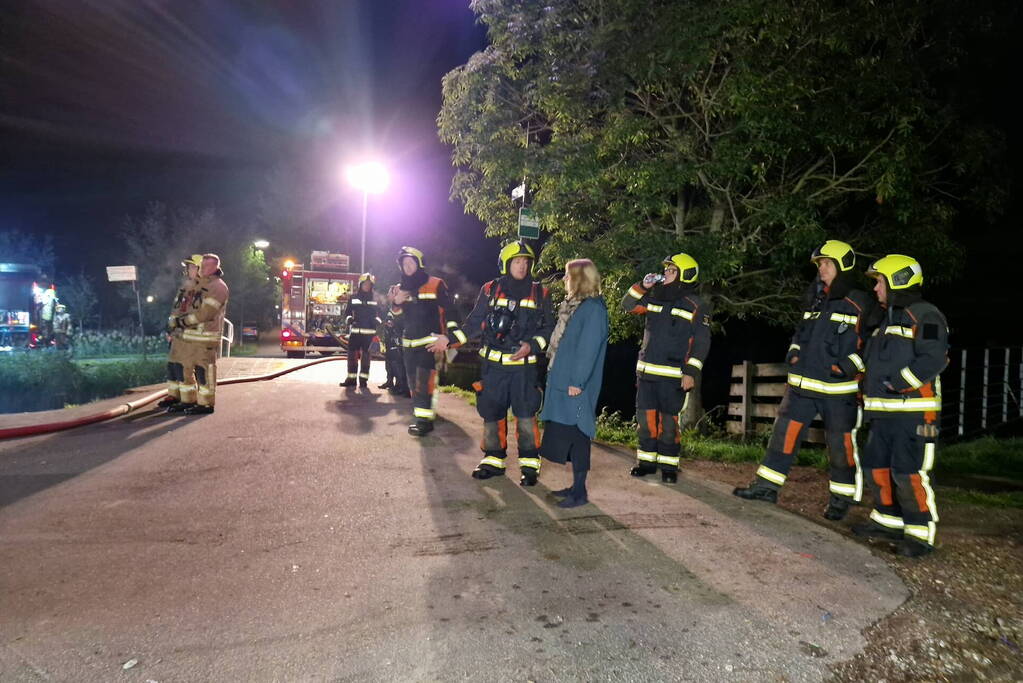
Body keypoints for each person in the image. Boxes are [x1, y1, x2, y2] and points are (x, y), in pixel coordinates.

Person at [733, 240, 876, 519]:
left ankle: (842, 499)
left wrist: (849, 365)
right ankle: (767, 487)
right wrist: (794, 353)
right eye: (819, 264)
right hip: (801, 387)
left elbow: (873, 343)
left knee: (840, 445)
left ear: (841, 266)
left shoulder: (860, 302)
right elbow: (800, 333)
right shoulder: (815, 298)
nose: (820, 269)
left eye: (826, 264)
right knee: (782, 437)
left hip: (838, 392)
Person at [853, 254, 948, 558]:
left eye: (880, 282)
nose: (876, 289)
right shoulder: (885, 320)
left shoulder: (927, 315)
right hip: (883, 413)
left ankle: (920, 534)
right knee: (875, 467)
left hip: (913, 411)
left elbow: (934, 357)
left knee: (908, 471)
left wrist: (900, 382)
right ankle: (887, 521)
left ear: (898, 280)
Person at [463, 241, 554, 486]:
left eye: (526, 262)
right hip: (493, 369)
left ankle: (529, 465)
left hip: (524, 370)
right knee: (492, 414)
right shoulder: (490, 289)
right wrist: (449, 339)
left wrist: (531, 346)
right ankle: (493, 460)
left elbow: (549, 329)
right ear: (506, 264)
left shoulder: (540, 292)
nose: (522, 266)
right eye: (517, 261)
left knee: (525, 417)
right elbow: (474, 323)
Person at [621, 253, 711, 484]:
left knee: (669, 426)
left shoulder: (696, 305)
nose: (666, 274)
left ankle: (669, 467)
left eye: (671, 271)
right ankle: (646, 463)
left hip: (674, 377)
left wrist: (691, 373)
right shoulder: (654, 298)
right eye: (667, 270)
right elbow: (627, 305)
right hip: (646, 374)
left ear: (684, 275)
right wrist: (643, 285)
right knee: (645, 422)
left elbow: (701, 343)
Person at [540, 259, 609, 508]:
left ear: (580, 278)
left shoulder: (593, 309)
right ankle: (575, 486)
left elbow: (588, 349)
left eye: (568, 276)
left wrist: (577, 381)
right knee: (568, 434)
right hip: (564, 381)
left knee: (579, 435)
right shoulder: (574, 307)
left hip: (576, 385)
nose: (565, 280)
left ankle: (580, 493)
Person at [388, 246, 466, 436]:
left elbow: (450, 311)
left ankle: (424, 422)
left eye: (410, 262)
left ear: (419, 263)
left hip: (429, 344)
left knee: (425, 382)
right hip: (408, 345)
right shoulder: (399, 289)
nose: (407, 267)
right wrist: (395, 304)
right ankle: (424, 414)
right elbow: (395, 320)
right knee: (413, 384)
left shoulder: (435, 284)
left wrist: (451, 336)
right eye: (404, 264)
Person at [176, 253, 230, 415]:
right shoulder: (198, 285)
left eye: (203, 266)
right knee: (186, 370)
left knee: (204, 371)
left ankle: (206, 404)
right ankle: (188, 401)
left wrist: (182, 322)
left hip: (206, 337)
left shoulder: (218, 286)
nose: (199, 270)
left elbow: (205, 313)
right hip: (191, 336)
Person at [159, 254, 201, 410]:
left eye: (191, 267)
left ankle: (188, 399)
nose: (188, 270)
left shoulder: (202, 288)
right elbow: (177, 309)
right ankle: (175, 396)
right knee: (172, 365)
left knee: (185, 366)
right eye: (188, 267)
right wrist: (170, 330)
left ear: (200, 269)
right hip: (178, 333)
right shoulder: (186, 287)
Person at [340, 273, 381, 388]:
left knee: (366, 357)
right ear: (360, 284)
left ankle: (363, 380)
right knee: (352, 356)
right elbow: (347, 312)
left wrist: (377, 321)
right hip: (356, 332)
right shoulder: (353, 298)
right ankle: (351, 379)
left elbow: (381, 313)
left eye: (369, 284)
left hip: (369, 333)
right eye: (365, 284)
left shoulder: (375, 298)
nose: (367, 286)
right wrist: (349, 320)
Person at [377, 310, 409, 395]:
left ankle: (401, 386)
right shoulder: (389, 307)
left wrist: (393, 324)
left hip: (397, 336)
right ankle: (390, 381)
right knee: (390, 361)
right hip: (390, 336)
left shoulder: (401, 306)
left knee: (398, 363)